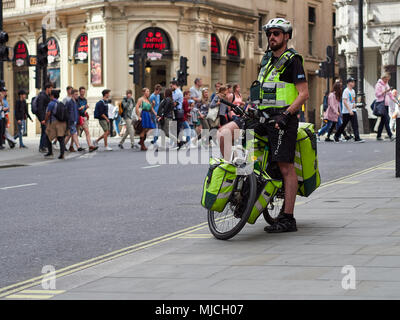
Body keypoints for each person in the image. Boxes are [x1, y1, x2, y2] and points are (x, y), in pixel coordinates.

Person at [218, 17, 309, 233]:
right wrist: (251, 105)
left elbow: (303, 93)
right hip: (259, 116)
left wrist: (286, 115)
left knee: (286, 167)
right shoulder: (267, 59)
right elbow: (263, 90)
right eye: (269, 33)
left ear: (286, 36)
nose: (272, 37)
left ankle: (288, 218)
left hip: (282, 120)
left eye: (276, 33)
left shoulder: (293, 60)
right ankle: (239, 181)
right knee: (224, 133)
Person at [334, 77, 365, 143]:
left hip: (352, 110)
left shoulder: (353, 91)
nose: (354, 83)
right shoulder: (346, 91)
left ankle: (357, 138)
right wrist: (349, 110)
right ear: (348, 83)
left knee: (355, 124)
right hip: (346, 111)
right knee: (343, 125)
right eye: (352, 82)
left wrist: (354, 105)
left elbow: (352, 100)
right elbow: (344, 101)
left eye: (354, 82)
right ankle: (336, 136)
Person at [44, 90, 67, 159]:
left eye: (50, 95)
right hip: (62, 122)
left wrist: (45, 121)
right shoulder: (60, 102)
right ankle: (62, 154)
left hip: (53, 122)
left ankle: (50, 152)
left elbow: (48, 113)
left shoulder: (51, 103)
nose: (50, 96)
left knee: (47, 136)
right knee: (61, 138)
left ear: (52, 96)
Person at [374, 73, 396, 141]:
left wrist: (396, 101)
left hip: (386, 104)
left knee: (383, 121)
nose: (387, 81)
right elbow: (377, 95)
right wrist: (384, 91)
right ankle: (390, 135)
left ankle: (378, 136)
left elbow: (390, 94)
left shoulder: (386, 85)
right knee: (386, 119)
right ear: (383, 78)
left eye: (388, 80)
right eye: (386, 79)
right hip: (381, 104)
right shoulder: (378, 85)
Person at [77, 87, 97, 152]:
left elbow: (84, 109)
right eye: (82, 91)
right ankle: (71, 146)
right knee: (73, 133)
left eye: (84, 91)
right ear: (79, 92)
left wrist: (86, 108)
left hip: (83, 117)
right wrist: (80, 108)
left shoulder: (85, 100)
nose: (83, 93)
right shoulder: (77, 99)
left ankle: (90, 146)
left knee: (87, 131)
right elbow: (76, 109)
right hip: (78, 117)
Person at [36, 83, 53, 153]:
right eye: (51, 88)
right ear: (47, 89)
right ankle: (42, 147)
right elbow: (40, 108)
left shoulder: (46, 95)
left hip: (46, 117)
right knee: (44, 132)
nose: (51, 90)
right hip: (43, 117)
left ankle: (44, 146)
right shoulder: (42, 96)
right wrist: (42, 119)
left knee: (45, 132)